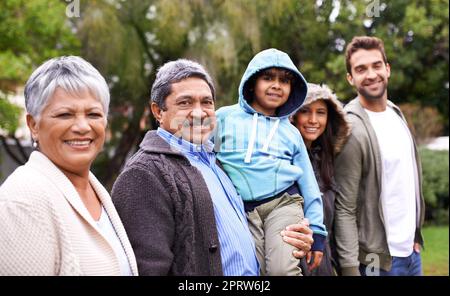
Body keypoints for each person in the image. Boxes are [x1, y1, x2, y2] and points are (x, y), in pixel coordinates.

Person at [111, 59, 315, 276]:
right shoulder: (145, 173)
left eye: (206, 102)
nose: (199, 113)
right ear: (158, 111)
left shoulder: (216, 160)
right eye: (185, 103)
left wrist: (291, 237)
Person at [0, 56, 138, 276]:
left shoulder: (97, 192)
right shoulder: (22, 201)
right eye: (65, 114)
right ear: (33, 125)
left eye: (93, 114)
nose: (83, 127)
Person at [214, 48, 327, 276]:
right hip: (242, 210)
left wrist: (316, 231)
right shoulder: (224, 118)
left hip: (284, 204)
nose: (276, 85)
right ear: (252, 82)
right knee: (251, 270)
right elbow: (198, 153)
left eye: (284, 81)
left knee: (281, 269)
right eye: (268, 78)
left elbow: (309, 184)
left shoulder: (291, 133)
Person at [334, 36, 425, 276]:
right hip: (376, 261)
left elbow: (407, 180)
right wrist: (350, 269)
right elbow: (345, 208)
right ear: (350, 78)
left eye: (376, 65)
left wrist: (414, 235)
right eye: (361, 69)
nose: (371, 74)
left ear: (388, 68)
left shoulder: (396, 113)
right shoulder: (351, 128)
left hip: (411, 254)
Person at [291, 83, 350, 276]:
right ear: (293, 115)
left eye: (321, 112)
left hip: (324, 261)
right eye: (305, 111)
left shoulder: (327, 161)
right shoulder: (285, 164)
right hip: (294, 261)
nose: (313, 120)